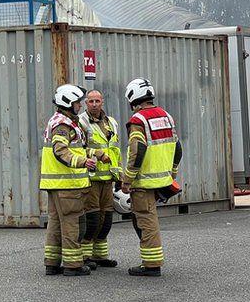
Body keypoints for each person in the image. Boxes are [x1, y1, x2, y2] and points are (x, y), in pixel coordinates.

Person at [41, 84, 110, 276]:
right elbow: (60, 150)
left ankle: (52, 263)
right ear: (68, 103)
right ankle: (73, 264)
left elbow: (77, 148)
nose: (80, 106)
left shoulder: (63, 121)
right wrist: (82, 162)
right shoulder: (63, 125)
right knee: (74, 222)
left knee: (55, 223)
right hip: (67, 185)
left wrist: (97, 153)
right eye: (77, 103)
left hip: (57, 184)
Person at [121, 78, 183, 277]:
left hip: (144, 182)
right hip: (162, 180)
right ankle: (149, 260)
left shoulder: (138, 120)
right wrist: (172, 172)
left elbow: (137, 151)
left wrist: (127, 179)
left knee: (146, 221)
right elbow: (178, 148)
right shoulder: (166, 116)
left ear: (132, 98)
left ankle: (151, 264)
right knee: (143, 219)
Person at [77, 89, 121, 268]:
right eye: (90, 101)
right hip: (91, 178)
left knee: (106, 219)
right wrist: (97, 153)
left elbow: (115, 150)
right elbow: (77, 148)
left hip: (108, 178)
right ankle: (85, 256)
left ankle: (100, 256)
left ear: (102, 102)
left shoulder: (111, 123)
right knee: (92, 218)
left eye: (97, 101)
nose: (94, 104)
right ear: (86, 103)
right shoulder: (81, 122)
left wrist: (119, 175)